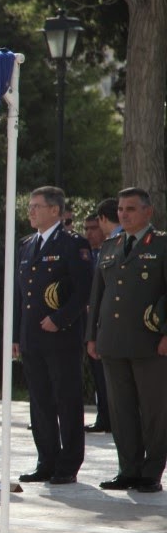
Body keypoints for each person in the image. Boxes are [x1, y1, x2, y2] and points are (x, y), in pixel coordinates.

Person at [86, 187, 167, 494]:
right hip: (113, 341)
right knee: (121, 410)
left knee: (154, 409)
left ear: (148, 212)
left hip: (149, 343)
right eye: (120, 209)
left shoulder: (161, 244)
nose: (123, 214)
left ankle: (151, 471)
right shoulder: (110, 245)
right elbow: (98, 295)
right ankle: (128, 468)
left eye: (130, 209)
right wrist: (91, 335)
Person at [13, 186, 92, 485]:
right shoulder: (27, 244)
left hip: (61, 336)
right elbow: (21, 295)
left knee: (66, 399)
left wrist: (59, 319)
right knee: (40, 400)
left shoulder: (73, 244)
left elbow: (83, 289)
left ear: (55, 211)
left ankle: (68, 463)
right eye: (30, 206)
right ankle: (46, 459)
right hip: (32, 337)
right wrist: (16, 334)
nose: (31, 211)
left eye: (37, 206)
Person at [82, 215, 110, 433]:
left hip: (107, 323)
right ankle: (103, 416)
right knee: (97, 372)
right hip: (88, 324)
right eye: (86, 229)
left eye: (93, 228)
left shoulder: (109, 251)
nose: (89, 233)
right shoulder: (87, 255)